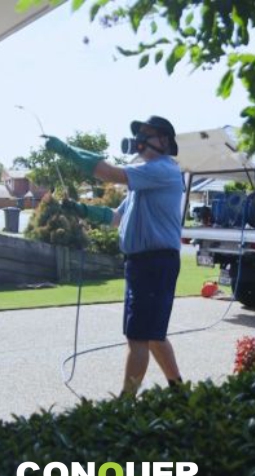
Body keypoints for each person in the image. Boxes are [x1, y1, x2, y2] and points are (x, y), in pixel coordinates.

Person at [43, 116, 184, 397]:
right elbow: (117, 217)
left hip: (155, 262)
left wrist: (68, 151)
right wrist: (83, 211)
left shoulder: (162, 169)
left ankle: (125, 403)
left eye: (147, 134)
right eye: (138, 134)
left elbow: (109, 174)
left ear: (165, 141)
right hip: (143, 263)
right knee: (152, 334)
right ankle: (179, 391)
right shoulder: (143, 179)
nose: (140, 140)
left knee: (138, 336)